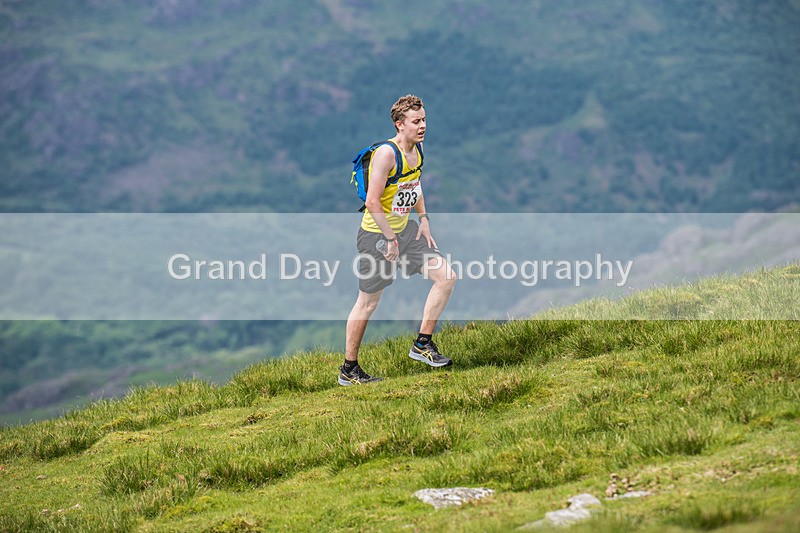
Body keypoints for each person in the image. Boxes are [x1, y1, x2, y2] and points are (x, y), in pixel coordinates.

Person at [339, 95, 458, 386]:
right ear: (399, 124)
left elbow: (413, 185)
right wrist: (391, 240)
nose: (423, 126)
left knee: (446, 276)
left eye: (424, 120)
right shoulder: (386, 155)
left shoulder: (417, 150)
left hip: (404, 232)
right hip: (376, 237)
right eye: (416, 122)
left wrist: (425, 220)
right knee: (368, 303)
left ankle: (422, 344)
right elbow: (372, 202)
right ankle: (349, 370)